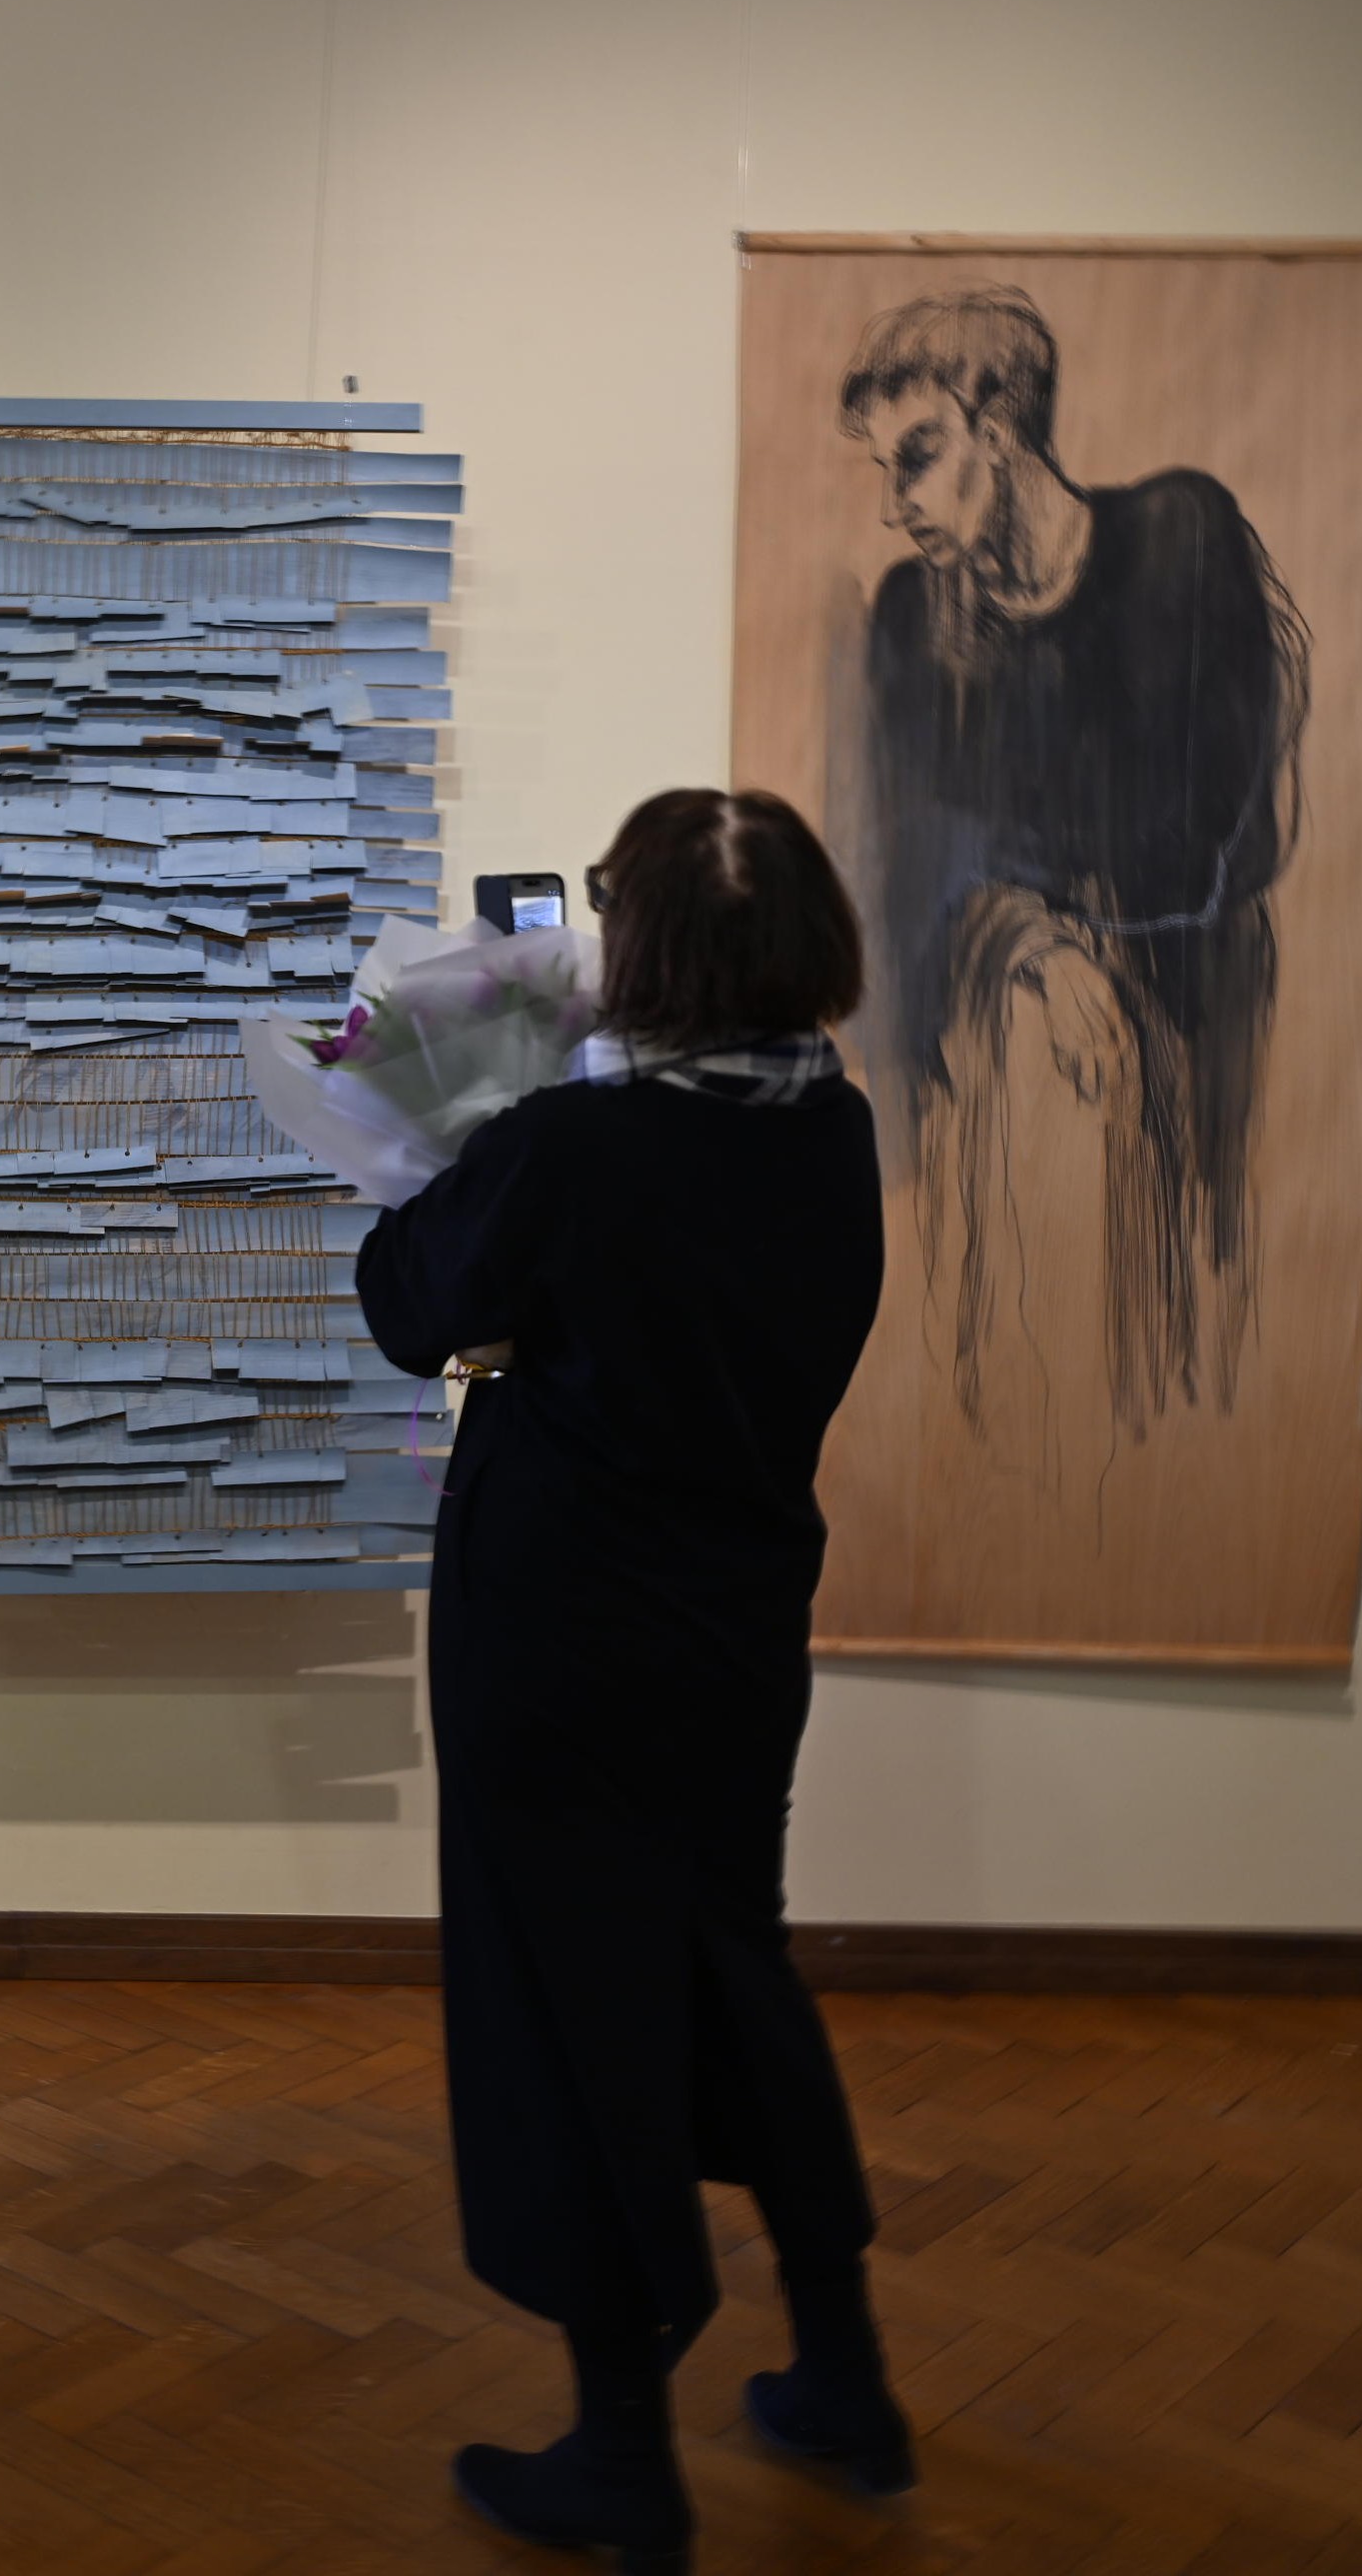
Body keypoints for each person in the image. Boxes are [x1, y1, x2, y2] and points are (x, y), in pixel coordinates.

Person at [357, 788, 909, 2569]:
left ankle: (619, 2456)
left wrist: (458, 1139)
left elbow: (407, 1300)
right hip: (735, 1634)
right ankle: (845, 2379)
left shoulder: (575, 1147)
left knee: (567, 2018)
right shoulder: (834, 1129)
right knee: (736, 1974)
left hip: (558, 1641)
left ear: (644, 951)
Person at [840, 285, 1304, 1437]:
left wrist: (1030, 900)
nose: (896, 506)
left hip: (1196, 1010)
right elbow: (912, 871)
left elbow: (1216, 837)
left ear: (1000, 429)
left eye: (919, 456)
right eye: (884, 469)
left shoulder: (1178, 544)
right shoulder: (914, 620)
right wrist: (1036, 942)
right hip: (1009, 1035)